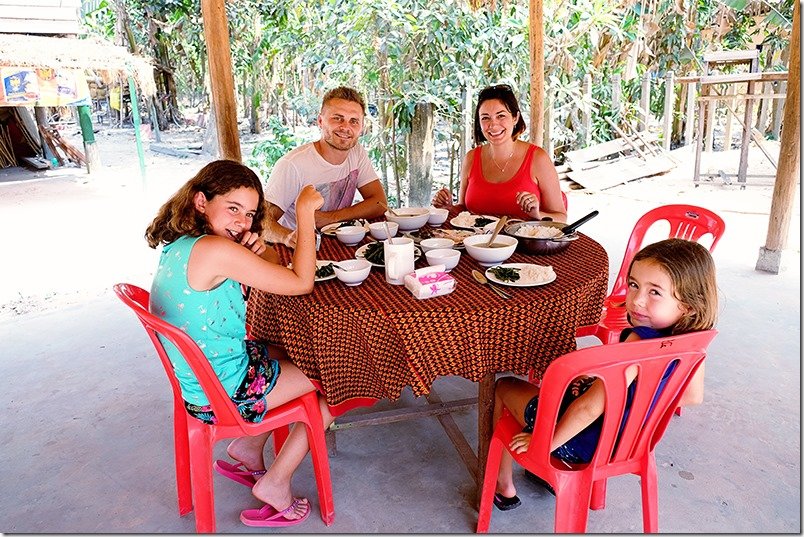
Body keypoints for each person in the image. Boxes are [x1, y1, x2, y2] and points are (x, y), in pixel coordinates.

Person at [145, 159, 332, 527]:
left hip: (202, 380)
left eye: (248, 214)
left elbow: (265, 273)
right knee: (333, 377)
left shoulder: (185, 244)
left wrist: (255, 251)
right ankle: (275, 484)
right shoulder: (217, 251)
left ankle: (248, 447)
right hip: (224, 391)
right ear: (201, 202)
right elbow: (300, 283)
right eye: (233, 209)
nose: (242, 222)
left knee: (290, 350)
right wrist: (305, 214)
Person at [490, 238, 718, 511]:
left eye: (655, 292)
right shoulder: (694, 341)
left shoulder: (638, 341)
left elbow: (589, 409)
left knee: (504, 386)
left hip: (583, 445)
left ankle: (504, 486)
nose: (637, 300)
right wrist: (629, 397)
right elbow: (692, 397)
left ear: (689, 305)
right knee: (575, 385)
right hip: (628, 443)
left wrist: (545, 442)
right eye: (633, 285)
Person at [262, 86, 387, 247]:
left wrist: (331, 217)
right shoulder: (293, 164)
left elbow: (379, 202)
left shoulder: (356, 152)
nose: (345, 127)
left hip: (339, 242)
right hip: (297, 247)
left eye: (353, 121)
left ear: (361, 128)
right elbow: (262, 220)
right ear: (320, 121)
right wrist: (288, 238)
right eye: (337, 118)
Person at [431, 84, 567, 222]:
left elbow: (561, 218)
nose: (493, 125)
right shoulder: (471, 158)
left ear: (515, 117)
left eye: (501, 116)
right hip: (476, 242)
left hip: (524, 242)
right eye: (485, 118)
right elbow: (464, 210)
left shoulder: (538, 158)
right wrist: (448, 207)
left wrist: (537, 214)